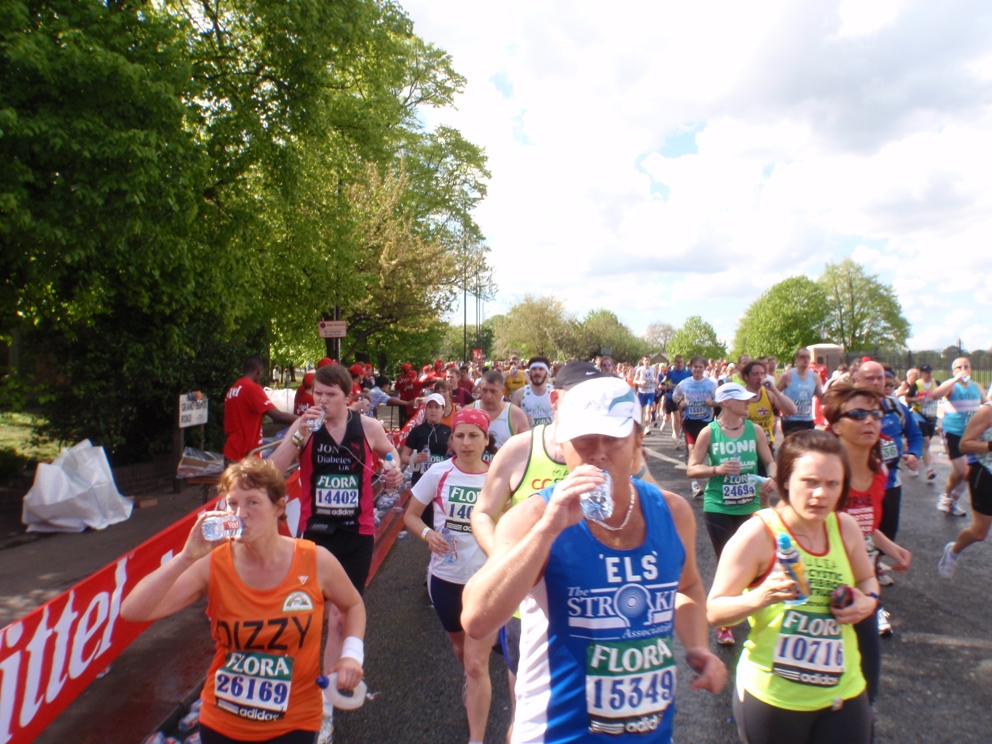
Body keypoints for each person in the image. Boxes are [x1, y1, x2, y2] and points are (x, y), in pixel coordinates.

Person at [462, 376, 726, 744]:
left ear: (637, 442)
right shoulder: (533, 517)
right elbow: (476, 619)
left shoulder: (672, 512)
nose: (598, 452)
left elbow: (686, 587)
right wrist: (548, 531)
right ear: (564, 444)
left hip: (650, 734)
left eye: (614, 439)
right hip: (556, 734)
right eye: (584, 440)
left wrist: (697, 645)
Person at [121, 458, 365, 744]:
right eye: (232, 503)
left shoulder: (315, 560)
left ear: (279, 507)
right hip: (223, 721)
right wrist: (186, 557)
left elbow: (352, 605)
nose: (240, 513)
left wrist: (352, 655)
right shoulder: (213, 564)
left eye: (252, 502)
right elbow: (132, 611)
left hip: (294, 721)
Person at [706, 431, 878, 744]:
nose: (821, 494)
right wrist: (761, 596)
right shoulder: (757, 534)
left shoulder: (844, 527)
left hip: (844, 691)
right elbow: (716, 612)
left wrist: (868, 600)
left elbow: (867, 579)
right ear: (786, 481)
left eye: (832, 484)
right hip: (775, 698)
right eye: (809, 482)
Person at [404, 409, 498, 744]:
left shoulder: (498, 477)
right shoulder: (439, 473)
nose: (466, 442)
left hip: (486, 580)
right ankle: (472, 681)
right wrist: (428, 534)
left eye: (474, 435)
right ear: (451, 439)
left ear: (486, 439)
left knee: (475, 663)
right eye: (460, 435)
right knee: (461, 652)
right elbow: (411, 516)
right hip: (444, 578)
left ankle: (476, 737)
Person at [823, 382, 912, 707]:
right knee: (821, 691)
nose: (869, 421)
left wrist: (891, 548)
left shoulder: (879, 472)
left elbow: (866, 527)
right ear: (836, 426)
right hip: (822, 593)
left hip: (862, 590)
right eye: (858, 414)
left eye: (875, 414)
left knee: (866, 690)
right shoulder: (823, 476)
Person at [687, 383, 777, 646]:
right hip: (719, 507)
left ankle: (755, 613)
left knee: (758, 563)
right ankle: (724, 623)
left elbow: (769, 460)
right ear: (726, 402)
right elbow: (692, 469)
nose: (749, 403)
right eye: (743, 400)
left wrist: (771, 477)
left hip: (751, 506)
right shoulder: (709, 432)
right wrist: (718, 470)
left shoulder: (755, 430)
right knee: (728, 564)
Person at [853, 361, 921, 591]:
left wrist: (913, 453)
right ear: (857, 381)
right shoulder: (848, 410)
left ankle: (875, 565)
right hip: (857, 485)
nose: (876, 383)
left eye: (879, 378)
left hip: (889, 481)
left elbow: (915, 435)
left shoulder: (896, 407)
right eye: (869, 378)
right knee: (857, 528)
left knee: (888, 528)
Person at [938, 398, 992, 578]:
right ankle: (953, 551)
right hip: (986, 474)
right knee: (979, 533)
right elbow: (964, 444)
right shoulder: (987, 411)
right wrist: (990, 446)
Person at [928, 357, 987, 516]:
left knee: (969, 471)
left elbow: (987, 403)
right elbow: (935, 395)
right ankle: (945, 496)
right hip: (953, 433)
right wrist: (955, 379)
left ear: (971, 369)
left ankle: (952, 501)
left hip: (972, 435)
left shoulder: (977, 386)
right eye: (958, 367)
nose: (963, 369)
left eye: (966, 366)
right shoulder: (951, 386)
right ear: (953, 370)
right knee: (962, 471)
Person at [223, 356, 297, 464]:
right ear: (258, 371)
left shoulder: (233, 388)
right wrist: (304, 419)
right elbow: (277, 416)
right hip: (246, 457)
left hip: (230, 452)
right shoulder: (252, 388)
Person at [672, 355, 718, 497]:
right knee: (692, 452)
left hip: (706, 422)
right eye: (695, 367)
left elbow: (720, 400)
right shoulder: (684, 383)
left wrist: (713, 402)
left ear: (704, 368)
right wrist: (680, 403)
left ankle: (716, 482)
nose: (697, 369)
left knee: (712, 452)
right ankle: (695, 485)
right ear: (690, 368)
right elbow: (675, 395)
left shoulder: (710, 384)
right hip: (690, 421)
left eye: (700, 367)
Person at [742, 359, 797, 459]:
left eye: (762, 374)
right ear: (746, 377)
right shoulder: (740, 397)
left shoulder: (769, 394)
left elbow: (792, 410)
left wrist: (775, 390)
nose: (759, 377)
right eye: (755, 374)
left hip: (766, 447)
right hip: (746, 448)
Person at [473, 369, 530, 449]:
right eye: (484, 390)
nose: (488, 396)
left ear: (503, 391)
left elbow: (526, 448)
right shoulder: (470, 410)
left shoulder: (516, 414)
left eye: (493, 391)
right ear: (480, 389)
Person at [903, 364, 940, 481]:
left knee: (926, 445)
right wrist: (916, 399)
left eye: (930, 372)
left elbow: (943, 393)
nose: (928, 374)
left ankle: (913, 459)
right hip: (918, 414)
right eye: (925, 372)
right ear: (922, 373)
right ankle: (929, 469)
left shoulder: (936, 383)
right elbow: (907, 398)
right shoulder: (917, 385)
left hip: (931, 416)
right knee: (926, 441)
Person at [777, 348, 824, 438]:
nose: (805, 359)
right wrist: (782, 408)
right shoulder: (787, 376)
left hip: (807, 420)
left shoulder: (815, 377)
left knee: (807, 449)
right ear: (796, 359)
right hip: (791, 421)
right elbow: (774, 394)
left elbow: (822, 398)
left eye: (808, 357)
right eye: (802, 357)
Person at [511, 356, 554, 428]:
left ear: (547, 372)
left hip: (550, 437)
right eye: (534, 369)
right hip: (527, 437)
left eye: (541, 369)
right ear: (529, 372)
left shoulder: (555, 392)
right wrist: (521, 421)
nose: (537, 372)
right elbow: (511, 420)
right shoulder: (519, 394)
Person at [661, 355, 691, 442]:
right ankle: (676, 437)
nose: (680, 364)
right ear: (675, 362)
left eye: (681, 362)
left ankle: (676, 432)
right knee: (677, 417)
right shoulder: (671, 371)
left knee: (681, 418)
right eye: (678, 362)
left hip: (685, 398)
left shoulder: (688, 371)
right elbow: (663, 383)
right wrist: (667, 385)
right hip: (673, 397)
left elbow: (694, 381)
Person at [633, 355, 659, 433]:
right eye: (645, 360)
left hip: (650, 392)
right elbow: (634, 380)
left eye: (648, 360)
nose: (647, 362)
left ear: (650, 361)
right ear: (643, 361)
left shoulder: (653, 369)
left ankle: (647, 427)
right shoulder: (639, 370)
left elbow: (655, 379)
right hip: (642, 392)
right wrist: (640, 382)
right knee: (641, 412)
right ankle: (639, 427)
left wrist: (656, 381)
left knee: (648, 410)